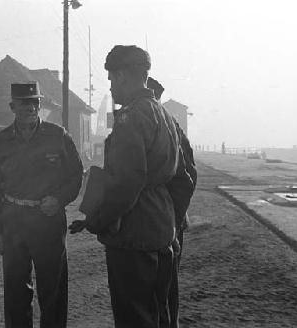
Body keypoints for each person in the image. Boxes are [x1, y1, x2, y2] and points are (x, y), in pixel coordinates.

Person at [70, 45, 188, 328]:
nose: (111, 87)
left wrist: (97, 220)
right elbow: (183, 176)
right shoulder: (164, 115)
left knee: (134, 317)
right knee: (159, 314)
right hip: (162, 229)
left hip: (133, 233)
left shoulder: (131, 117)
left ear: (121, 76)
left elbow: (126, 183)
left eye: (111, 79)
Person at [0, 81, 83, 328]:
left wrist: (59, 199)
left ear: (40, 105)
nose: (30, 108)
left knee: (53, 291)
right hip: (13, 221)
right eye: (24, 103)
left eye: (34, 102)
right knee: (16, 292)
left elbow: (76, 175)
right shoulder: (1, 141)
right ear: (12, 106)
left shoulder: (57, 136)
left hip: (47, 221)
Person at [148, 77, 197, 328]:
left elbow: (187, 179)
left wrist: (174, 223)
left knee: (166, 290)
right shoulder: (135, 127)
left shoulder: (171, 129)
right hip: (145, 224)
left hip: (169, 223)